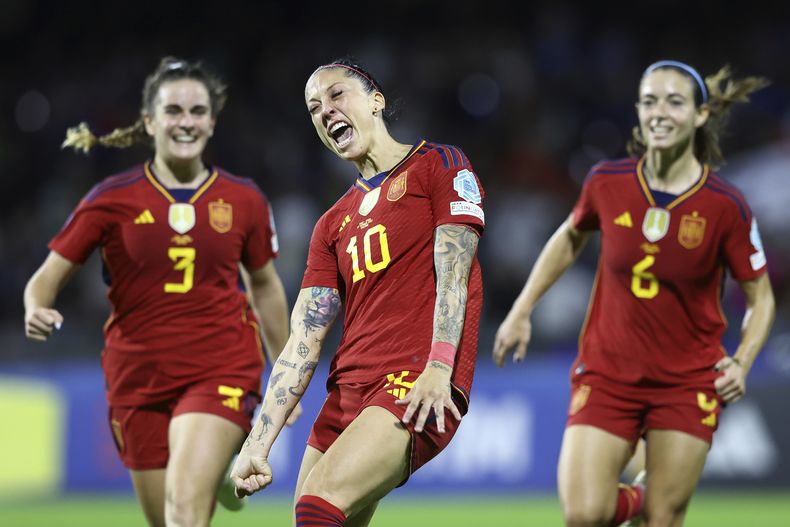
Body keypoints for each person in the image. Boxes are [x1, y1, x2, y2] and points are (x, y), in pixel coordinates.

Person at [493, 60, 775, 527]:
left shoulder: (726, 207)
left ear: (701, 115)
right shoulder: (607, 181)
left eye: (674, 101)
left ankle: (656, 498)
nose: (659, 112)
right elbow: (569, 236)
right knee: (586, 514)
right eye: (649, 101)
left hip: (687, 380)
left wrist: (742, 362)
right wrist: (522, 309)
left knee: (664, 519)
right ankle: (645, 492)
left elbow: (761, 298)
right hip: (608, 372)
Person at [23, 56, 298, 527]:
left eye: (196, 111)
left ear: (212, 121)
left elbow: (265, 287)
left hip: (221, 367)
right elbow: (44, 281)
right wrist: (36, 308)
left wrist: (285, 379)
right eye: (173, 111)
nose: (185, 122)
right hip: (138, 379)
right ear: (149, 121)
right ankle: (218, 473)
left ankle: (218, 457)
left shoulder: (244, 199)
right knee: (166, 519)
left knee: (183, 513)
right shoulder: (111, 198)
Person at [230, 57, 485, 527]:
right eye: (313, 108)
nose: (325, 111)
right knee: (318, 518)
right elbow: (303, 340)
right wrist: (257, 445)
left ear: (376, 100)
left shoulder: (440, 165)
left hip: (413, 381)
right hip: (347, 392)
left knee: (317, 507)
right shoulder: (331, 224)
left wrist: (439, 366)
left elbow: (456, 273)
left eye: (336, 95)